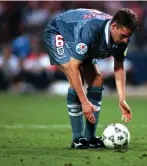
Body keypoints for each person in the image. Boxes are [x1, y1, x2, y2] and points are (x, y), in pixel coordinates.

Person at [43, 8, 139, 149]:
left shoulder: (121, 38)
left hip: (79, 37)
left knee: (97, 80)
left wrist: (122, 99)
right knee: (76, 80)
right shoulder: (91, 31)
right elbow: (73, 68)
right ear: (113, 26)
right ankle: (78, 139)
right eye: (123, 36)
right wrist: (84, 102)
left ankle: (91, 138)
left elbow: (118, 67)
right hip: (60, 32)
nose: (125, 40)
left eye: (128, 37)